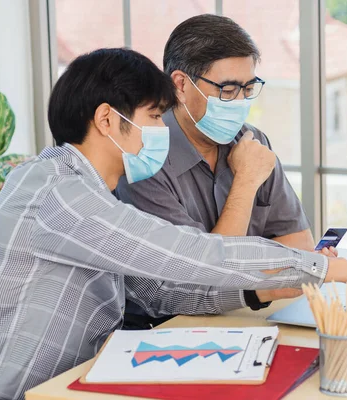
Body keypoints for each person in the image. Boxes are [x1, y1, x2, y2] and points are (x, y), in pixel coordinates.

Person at [0, 48, 347, 399]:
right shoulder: (59, 196)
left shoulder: (84, 192)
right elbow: (193, 254)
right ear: (106, 120)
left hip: (61, 386)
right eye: (154, 117)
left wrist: (265, 288)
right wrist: (341, 271)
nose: (162, 129)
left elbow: (155, 288)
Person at [115, 14, 334, 328]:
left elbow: (298, 246)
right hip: (166, 328)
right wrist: (245, 182)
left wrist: (260, 275)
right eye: (228, 89)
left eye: (248, 88)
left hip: (247, 314)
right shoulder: (144, 158)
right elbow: (204, 277)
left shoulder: (252, 141)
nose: (240, 102)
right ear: (180, 84)